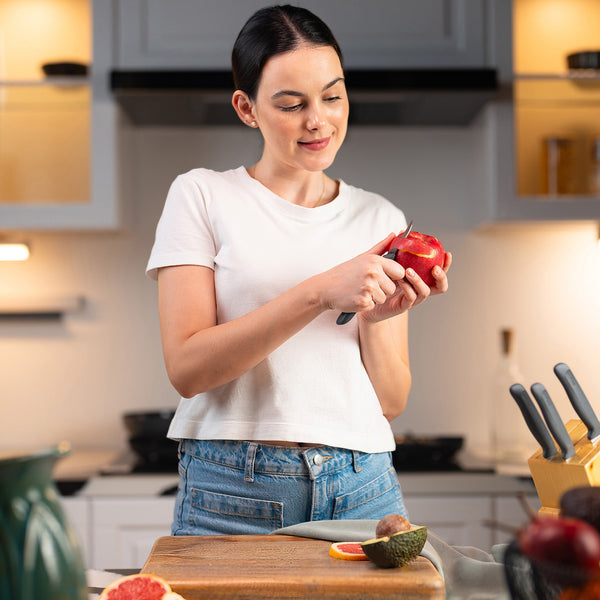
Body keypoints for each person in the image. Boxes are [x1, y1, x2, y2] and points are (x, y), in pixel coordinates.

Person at [146, 4, 451, 536]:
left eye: (333, 96)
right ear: (247, 108)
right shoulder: (201, 195)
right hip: (234, 487)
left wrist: (377, 318)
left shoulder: (380, 218)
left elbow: (391, 401)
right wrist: (318, 293)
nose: (319, 120)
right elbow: (188, 369)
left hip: (364, 482)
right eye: (291, 104)